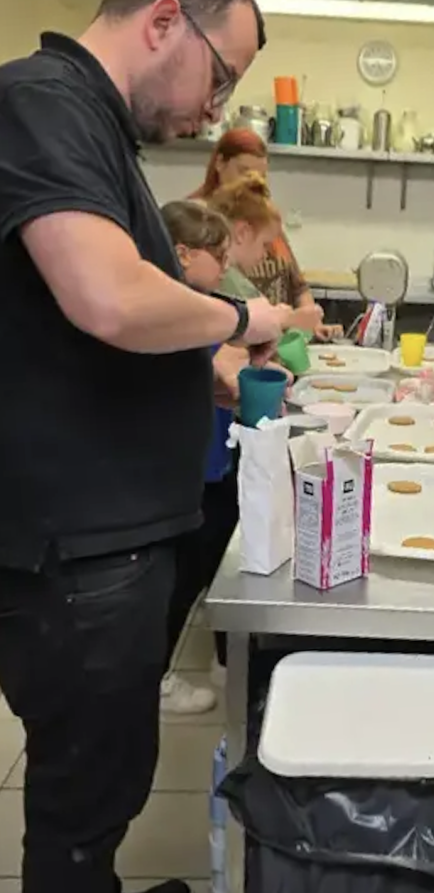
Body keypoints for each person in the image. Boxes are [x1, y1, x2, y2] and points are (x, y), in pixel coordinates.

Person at [0, 0, 288, 893]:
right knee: (80, 793)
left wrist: (203, 375)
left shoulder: (90, 129)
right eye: (219, 75)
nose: (215, 105)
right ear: (164, 19)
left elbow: (89, 326)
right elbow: (109, 299)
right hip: (71, 542)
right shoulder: (39, 103)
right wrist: (239, 318)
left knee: (110, 775)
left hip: (111, 525)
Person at [159, 199, 256, 715]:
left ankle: (224, 656)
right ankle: (158, 678)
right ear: (182, 252)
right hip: (187, 470)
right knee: (182, 579)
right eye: (216, 256)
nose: (225, 267)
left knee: (214, 560)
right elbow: (219, 368)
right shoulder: (175, 308)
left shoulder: (193, 302)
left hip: (209, 460)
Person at [191, 126, 340, 338]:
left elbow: (298, 285)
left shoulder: (263, 220)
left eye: (260, 175)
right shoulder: (198, 220)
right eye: (244, 171)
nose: (252, 181)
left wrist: (310, 324)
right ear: (219, 163)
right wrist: (285, 320)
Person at [207, 171, 321, 337]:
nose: (266, 255)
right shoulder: (222, 280)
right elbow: (249, 329)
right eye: (265, 245)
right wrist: (291, 319)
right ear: (242, 233)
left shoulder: (235, 278)